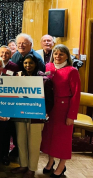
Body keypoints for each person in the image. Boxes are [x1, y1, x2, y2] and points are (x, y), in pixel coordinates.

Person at [41, 44, 81, 178]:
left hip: (64, 109)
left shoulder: (72, 71)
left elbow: (76, 95)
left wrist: (71, 115)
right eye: (56, 54)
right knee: (49, 137)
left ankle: (61, 166)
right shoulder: (48, 67)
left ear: (67, 56)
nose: (57, 56)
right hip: (50, 108)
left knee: (62, 140)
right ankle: (50, 162)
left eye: (61, 54)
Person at [10, 54, 48, 178]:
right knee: (21, 142)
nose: (28, 65)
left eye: (31, 63)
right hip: (20, 114)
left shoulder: (43, 78)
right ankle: (23, 165)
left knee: (34, 144)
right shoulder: (18, 77)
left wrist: (46, 112)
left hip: (36, 117)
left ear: (36, 64)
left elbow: (50, 99)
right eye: (26, 63)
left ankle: (31, 169)